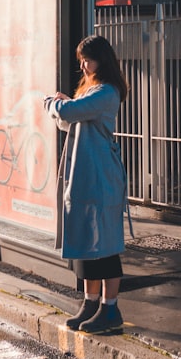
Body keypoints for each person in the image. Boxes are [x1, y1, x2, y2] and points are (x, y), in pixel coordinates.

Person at [44, 34, 130, 335]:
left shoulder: (107, 91)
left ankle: (110, 308)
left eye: (88, 59)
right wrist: (63, 107)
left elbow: (67, 113)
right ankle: (90, 303)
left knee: (104, 245)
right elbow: (68, 121)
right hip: (85, 175)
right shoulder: (92, 91)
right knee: (85, 242)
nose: (83, 65)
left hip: (100, 176)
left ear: (101, 60)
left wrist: (53, 102)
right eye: (81, 59)